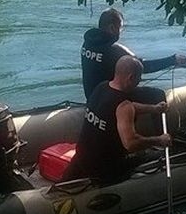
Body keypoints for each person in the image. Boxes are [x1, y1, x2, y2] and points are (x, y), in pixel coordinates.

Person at [63, 55, 172, 184]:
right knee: (159, 155)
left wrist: (154, 109)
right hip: (107, 169)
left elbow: (130, 107)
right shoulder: (123, 106)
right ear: (131, 78)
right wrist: (159, 140)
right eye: (139, 78)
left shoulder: (101, 88)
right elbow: (131, 144)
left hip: (81, 159)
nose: (140, 81)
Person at [80, 7, 186, 102]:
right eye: (120, 28)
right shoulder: (114, 50)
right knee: (158, 95)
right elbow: (142, 66)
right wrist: (173, 60)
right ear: (112, 27)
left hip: (91, 97)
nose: (120, 32)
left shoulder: (87, 44)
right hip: (110, 97)